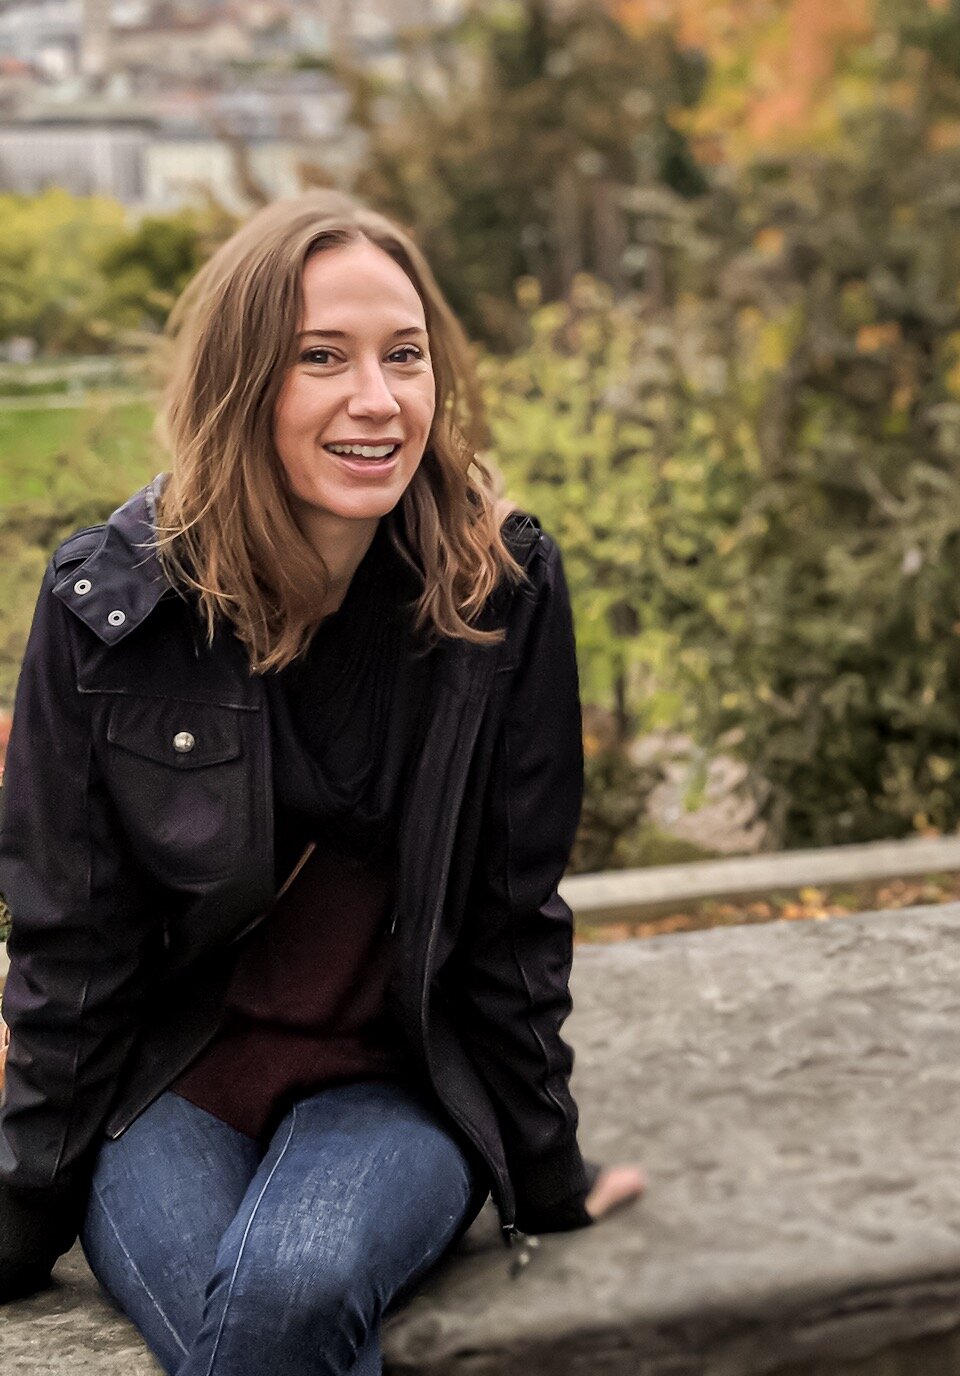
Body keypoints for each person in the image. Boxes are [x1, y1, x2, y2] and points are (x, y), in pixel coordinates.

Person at [0, 191, 644, 1373]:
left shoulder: (499, 587)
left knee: (292, 1291)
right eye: (321, 358)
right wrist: (22, 1201)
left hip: (398, 1086)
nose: (377, 398)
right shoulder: (108, 609)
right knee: (251, 1325)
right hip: (171, 1084)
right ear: (244, 384)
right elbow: (67, 936)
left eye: (406, 356)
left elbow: (512, 912)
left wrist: (546, 1169)